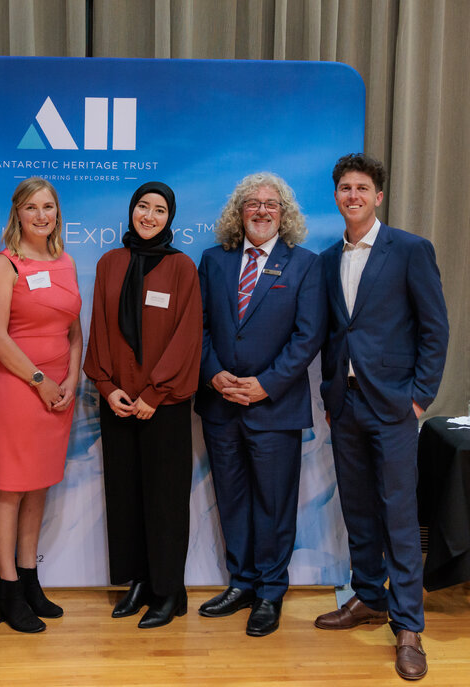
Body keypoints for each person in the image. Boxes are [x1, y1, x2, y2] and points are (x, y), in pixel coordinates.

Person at [314, 153, 448, 681]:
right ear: (336, 195)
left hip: (394, 406)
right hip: (345, 405)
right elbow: (332, 334)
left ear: (378, 196)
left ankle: (409, 626)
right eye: (345, 187)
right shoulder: (328, 259)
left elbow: (434, 329)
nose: (353, 195)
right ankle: (368, 597)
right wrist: (329, 395)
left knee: (397, 514)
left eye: (362, 188)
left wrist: (420, 399)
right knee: (359, 511)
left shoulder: (411, 250)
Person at [194, 172, 326, 637]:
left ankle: (271, 590)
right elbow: (200, 327)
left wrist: (266, 384)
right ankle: (242, 582)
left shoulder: (305, 265)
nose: (262, 210)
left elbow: (308, 336)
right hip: (221, 404)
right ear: (239, 212)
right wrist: (212, 373)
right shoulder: (213, 261)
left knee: (274, 503)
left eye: (272, 204)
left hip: (275, 407)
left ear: (284, 214)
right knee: (231, 499)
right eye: (253, 203)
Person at [83, 181, 202, 629]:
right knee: (126, 494)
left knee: (165, 500)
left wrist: (155, 393)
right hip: (117, 402)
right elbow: (100, 329)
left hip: (163, 405)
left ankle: (168, 591)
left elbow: (187, 337)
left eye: (158, 210)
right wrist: (107, 386)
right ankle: (136, 581)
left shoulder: (182, 268)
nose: (148, 216)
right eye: (142, 207)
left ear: (170, 218)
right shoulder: (109, 263)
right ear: (131, 211)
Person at [0, 177, 82, 634]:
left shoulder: (66, 261)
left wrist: (73, 377)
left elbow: (74, 330)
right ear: (17, 213)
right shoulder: (6, 265)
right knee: (11, 487)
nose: (42, 215)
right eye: (32, 208)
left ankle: (29, 580)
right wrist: (41, 380)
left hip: (60, 393)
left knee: (39, 485)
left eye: (49, 207)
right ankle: (7, 591)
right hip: (19, 390)